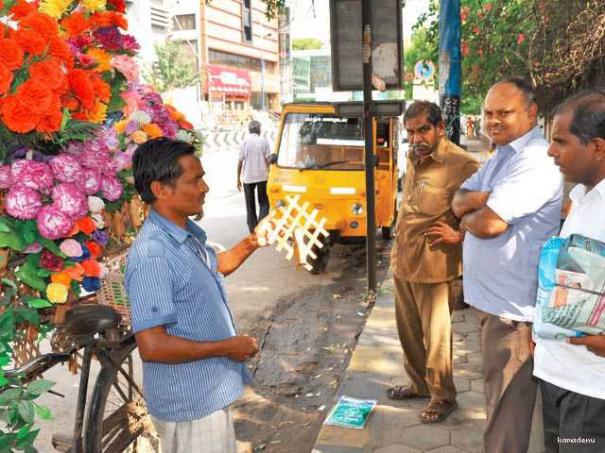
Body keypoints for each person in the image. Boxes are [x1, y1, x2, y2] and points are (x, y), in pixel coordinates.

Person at [125, 138, 271, 453]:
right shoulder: (153, 253)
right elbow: (152, 346)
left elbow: (215, 266)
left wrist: (253, 241)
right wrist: (227, 346)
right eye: (195, 180)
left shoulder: (183, 235)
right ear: (160, 189)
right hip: (191, 405)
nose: (205, 187)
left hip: (205, 394)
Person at [452, 77, 563, 452]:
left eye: (504, 112)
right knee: (500, 403)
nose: (492, 121)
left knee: (507, 415)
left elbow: (487, 223)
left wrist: (471, 215)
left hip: (514, 313)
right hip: (496, 305)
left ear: (532, 113)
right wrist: (479, 200)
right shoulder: (502, 154)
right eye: (488, 113)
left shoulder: (535, 160)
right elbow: (457, 198)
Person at [387, 101, 479, 423]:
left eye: (423, 130)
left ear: (440, 128)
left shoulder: (462, 164)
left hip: (434, 265)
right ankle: (419, 384)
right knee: (408, 331)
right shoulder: (414, 157)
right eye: (410, 132)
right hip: (403, 260)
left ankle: (443, 396)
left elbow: (486, 209)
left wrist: (461, 235)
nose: (416, 138)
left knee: (437, 336)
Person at [534, 90, 605, 452]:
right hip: (556, 373)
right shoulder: (579, 196)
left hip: (591, 392)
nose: (551, 151)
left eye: (560, 141)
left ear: (597, 147)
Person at [237, 120, 272, 233]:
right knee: (264, 203)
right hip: (262, 176)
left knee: (250, 204)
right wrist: (266, 168)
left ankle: (252, 230)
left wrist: (238, 178)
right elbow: (268, 159)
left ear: (249, 130)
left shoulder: (244, 142)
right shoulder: (263, 141)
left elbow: (240, 162)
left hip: (248, 177)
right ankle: (261, 226)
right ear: (258, 129)